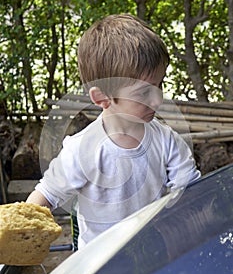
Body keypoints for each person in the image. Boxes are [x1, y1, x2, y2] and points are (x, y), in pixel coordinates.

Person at [27, 14, 200, 249]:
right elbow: (46, 194)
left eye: (160, 85)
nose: (158, 100)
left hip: (153, 252)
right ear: (102, 97)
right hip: (99, 264)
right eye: (143, 93)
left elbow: (189, 190)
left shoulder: (166, 140)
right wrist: (24, 224)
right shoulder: (82, 150)